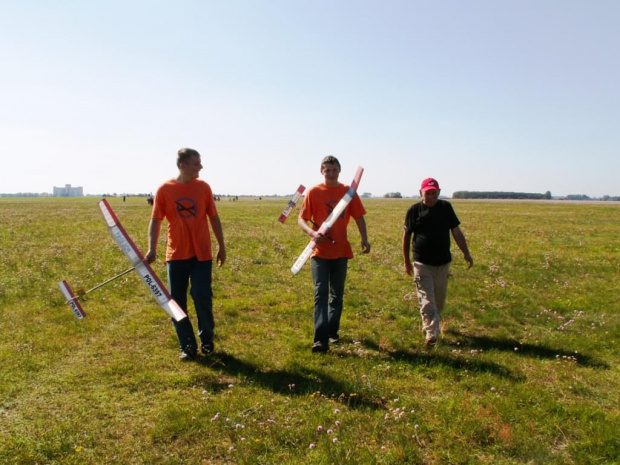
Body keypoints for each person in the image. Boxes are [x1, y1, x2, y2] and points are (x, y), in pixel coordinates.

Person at [146, 148, 226, 360]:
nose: (200, 167)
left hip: (201, 254)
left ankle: (207, 339)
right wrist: (152, 248)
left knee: (202, 296)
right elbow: (155, 221)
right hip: (176, 254)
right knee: (177, 302)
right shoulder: (164, 189)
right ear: (182, 165)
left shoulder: (203, 187)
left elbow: (214, 217)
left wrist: (221, 245)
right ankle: (187, 346)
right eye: (196, 163)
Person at [298, 156, 371, 353]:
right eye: (327, 170)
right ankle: (320, 340)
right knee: (320, 293)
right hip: (319, 252)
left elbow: (359, 217)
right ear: (321, 171)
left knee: (336, 295)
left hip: (341, 252)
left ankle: (332, 332)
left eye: (334, 170)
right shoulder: (313, 192)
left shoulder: (348, 192)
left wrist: (364, 239)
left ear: (339, 171)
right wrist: (313, 233)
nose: (331, 174)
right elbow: (302, 219)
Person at [402, 177, 473, 346]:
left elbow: (456, 232)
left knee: (439, 302)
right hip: (422, 263)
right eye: (428, 193)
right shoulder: (414, 210)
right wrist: (406, 261)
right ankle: (431, 335)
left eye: (434, 193)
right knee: (427, 300)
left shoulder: (446, 208)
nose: (431, 196)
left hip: (442, 263)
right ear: (421, 193)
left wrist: (466, 253)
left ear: (439, 192)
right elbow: (406, 237)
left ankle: (429, 325)